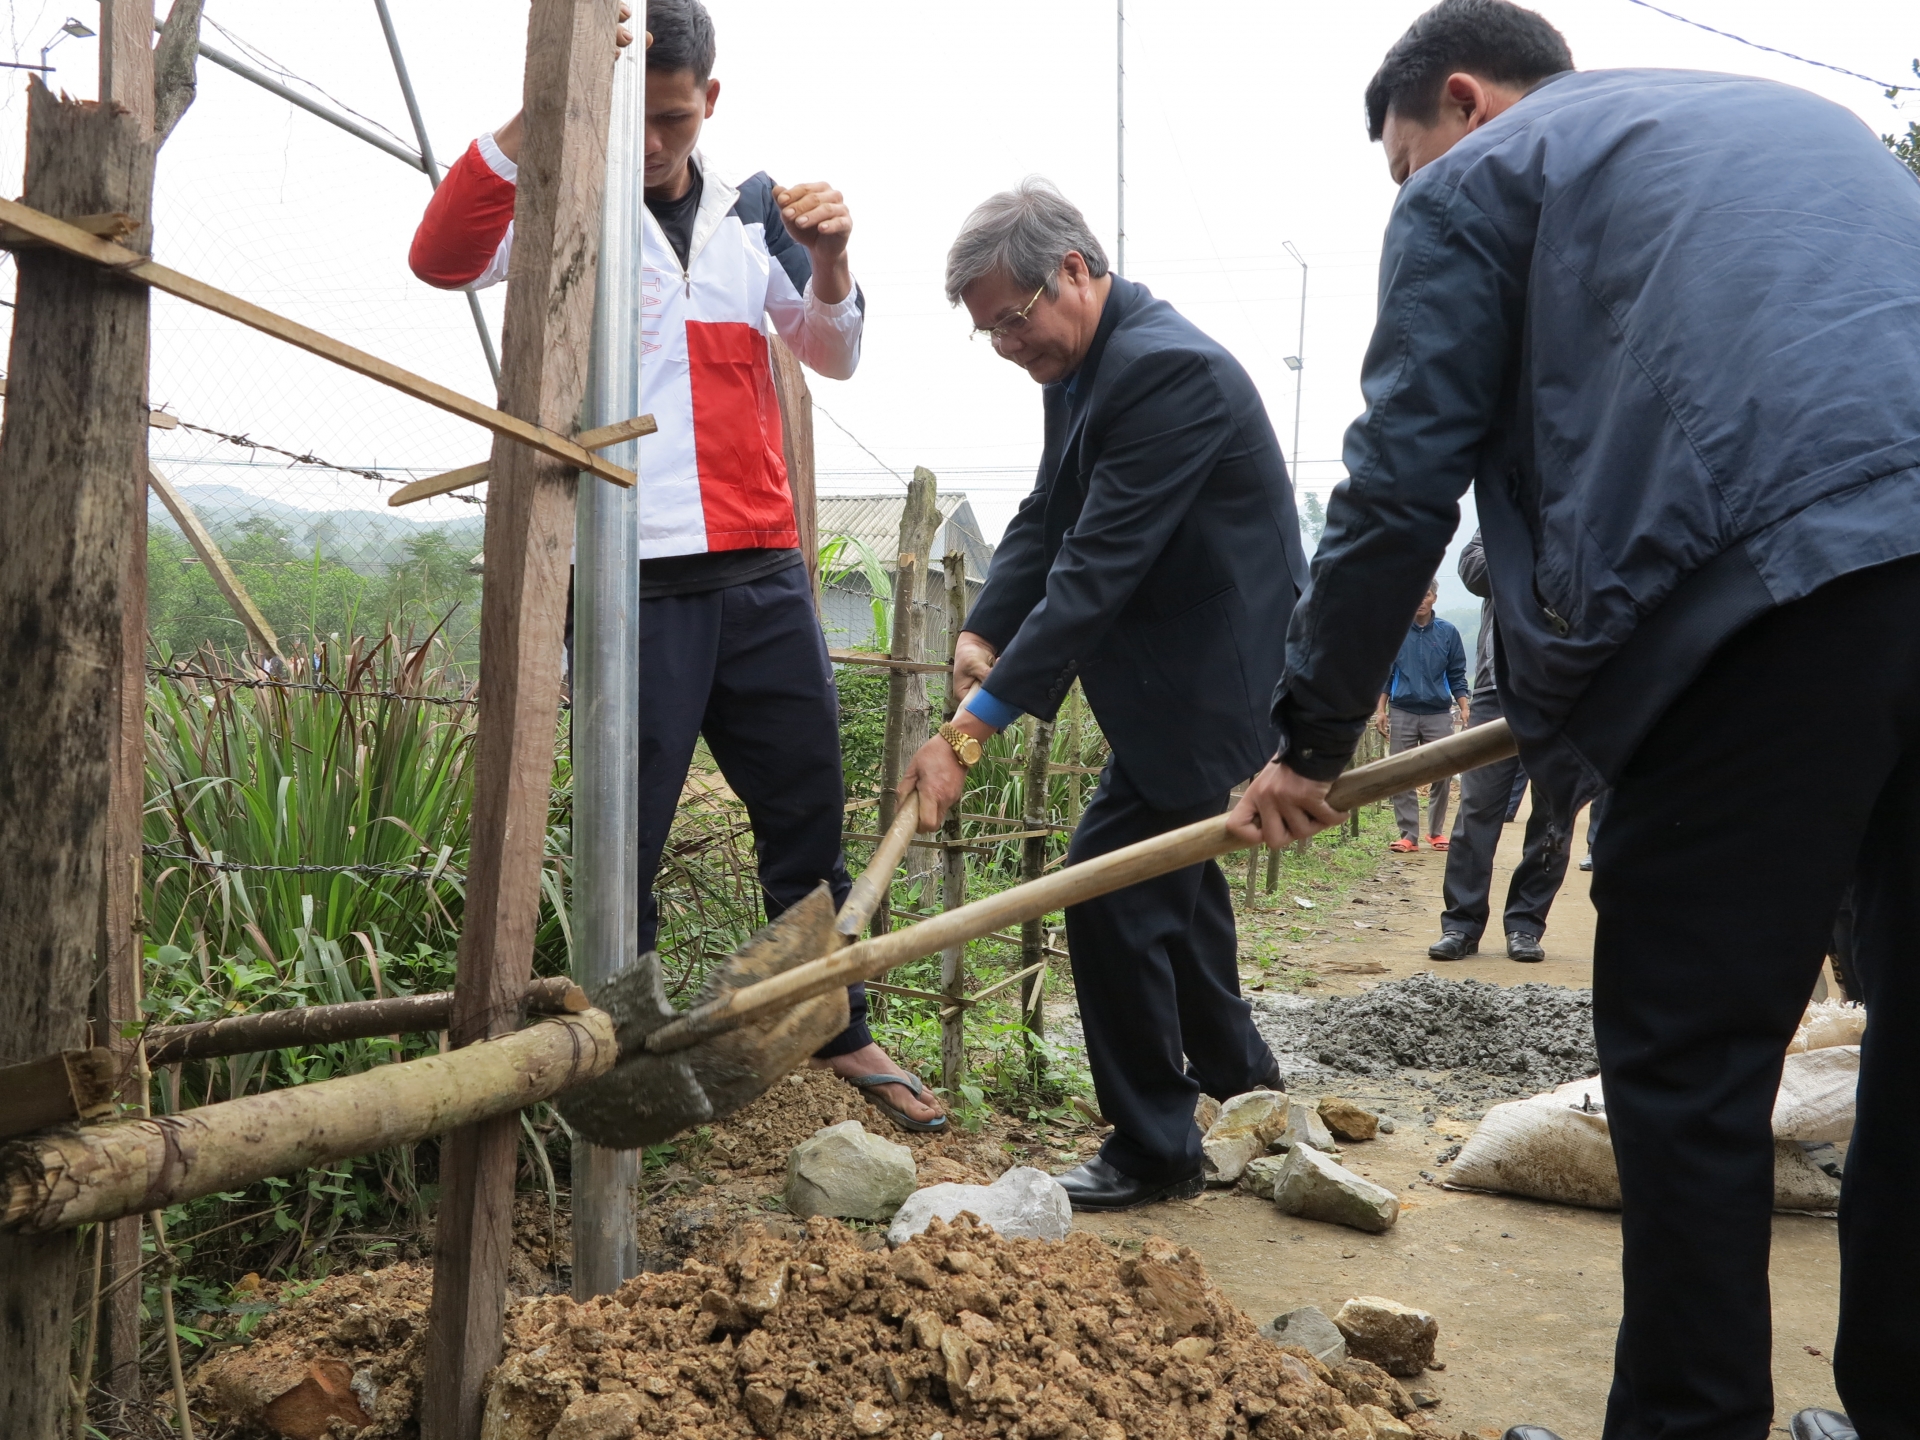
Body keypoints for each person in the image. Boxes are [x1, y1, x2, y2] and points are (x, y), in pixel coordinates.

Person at [1228, 4, 1920, 1440]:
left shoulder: (1477, 183)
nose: (1410, 190)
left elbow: (1397, 486)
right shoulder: (1810, 131)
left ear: (1461, 103)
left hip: (1768, 607)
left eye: (1404, 160)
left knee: (1692, 1065)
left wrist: (1308, 737)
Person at [407, 0, 945, 1132]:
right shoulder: (563, 203)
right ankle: (628, 1053)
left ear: (710, 97)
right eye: (631, 117)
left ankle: (835, 1028)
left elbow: (835, 353)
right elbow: (438, 258)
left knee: (805, 809)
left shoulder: (759, 217)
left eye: (670, 117)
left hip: (759, 570)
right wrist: (543, 115)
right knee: (625, 832)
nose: (652, 143)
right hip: (626, 577)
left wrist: (837, 256)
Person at [899, 178, 1305, 1211]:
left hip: (1215, 681)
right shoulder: (1083, 367)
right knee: (1182, 886)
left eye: (1013, 318)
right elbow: (1049, 509)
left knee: (1109, 886)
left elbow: (1096, 569)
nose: (1005, 345)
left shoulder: (1165, 372)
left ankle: (1154, 1146)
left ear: (1073, 270)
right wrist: (985, 626)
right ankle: (1247, 1089)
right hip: (1170, 685)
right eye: (987, 330)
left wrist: (970, 731)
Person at [1429, 530, 1567, 962]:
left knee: (1553, 815)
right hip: (1497, 685)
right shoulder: (1506, 511)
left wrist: (1523, 561)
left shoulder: (1598, 506)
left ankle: (1526, 925)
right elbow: (1474, 571)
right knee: (1476, 810)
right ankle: (1461, 925)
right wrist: (1542, 552)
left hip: (1567, 687)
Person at [1376, 580, 1469, 851]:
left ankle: (1436, 831)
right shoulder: (1395, 631)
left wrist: (1464, 707)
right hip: (1402, 710)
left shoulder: (1448, 633)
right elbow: (1386, 673)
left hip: (1438, 712)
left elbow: (1456, 674)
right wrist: (1380, 710)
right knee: (1401, 772)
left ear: (1434, 598)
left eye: (1425, 594)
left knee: (1443, 770)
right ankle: (1408, 835)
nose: (1420, 600)